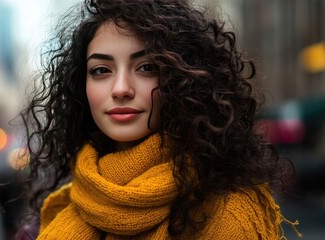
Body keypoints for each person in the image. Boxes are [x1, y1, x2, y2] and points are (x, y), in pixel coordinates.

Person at [17, 0, 302, 239]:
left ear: (184, 79)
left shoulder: (229, 213)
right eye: (101, 70)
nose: (120, 89)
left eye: (147, 67)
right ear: (82, 86)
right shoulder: (63, 206)